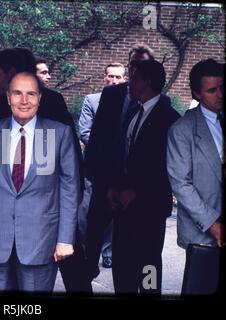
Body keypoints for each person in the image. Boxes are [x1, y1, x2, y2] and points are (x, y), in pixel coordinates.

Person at [0, 72, 80, 292]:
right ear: (8, 97)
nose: (24, 100)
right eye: (17, 93)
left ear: (40, 98)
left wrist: (65, 239)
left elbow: (70, 189)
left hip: (41, 242)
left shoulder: (60, 134)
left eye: (31, 94)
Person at [81, 44, 164, 291]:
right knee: (94, 237)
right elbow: (98, 140)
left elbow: (159, 163)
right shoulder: (112, 96)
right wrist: (100, 180)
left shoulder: (162, 110)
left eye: (142, 66)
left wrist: (136, 189)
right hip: (107, 183)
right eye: (133, 65)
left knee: (145, 258)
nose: (135, 70)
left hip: (143, 199)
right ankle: (88, 276)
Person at [106, 59, 180, 295]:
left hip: (150, 208)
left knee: (148, 264)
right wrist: (113, 187)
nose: (130, 82)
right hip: (123, 207)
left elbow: (168, 167)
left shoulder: (169, 118)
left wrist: (138, 190)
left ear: (147, 82)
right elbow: (121, 155)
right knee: (122, 264)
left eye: (135, 77)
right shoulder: (132, 112)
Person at [167, 58, 224, 295]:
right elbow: (181, 184)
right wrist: (213, 224)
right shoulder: (181, 130)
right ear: (196, 93)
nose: (220, 95)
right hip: (204, 229)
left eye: (223, 87)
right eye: (212, 90)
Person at [78, 62, 127, 269]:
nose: (114, 81)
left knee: (112, 214)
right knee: (85, 211)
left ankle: (108, 252)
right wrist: (106, 151)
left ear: (124, 80)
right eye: (111, 76)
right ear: (104, 77)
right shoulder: (92, 100)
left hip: (118, 169)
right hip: (94, 167)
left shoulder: (129, 103)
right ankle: (85, 250)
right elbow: (84, 132)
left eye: (118, 77)